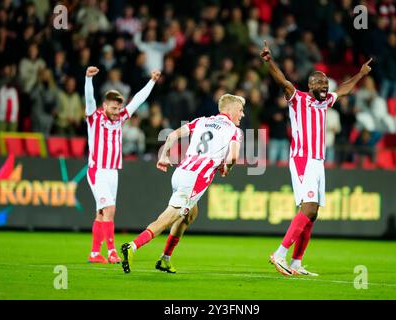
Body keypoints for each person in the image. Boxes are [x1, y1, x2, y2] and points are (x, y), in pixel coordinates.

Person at [260, 40, 372, 276]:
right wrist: (269, 62)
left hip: (318, 162)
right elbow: (282, 80)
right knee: (308, 208)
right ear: (309, 85)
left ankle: (297, 263)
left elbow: (343, 89)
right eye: (318, 82)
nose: (323, 84)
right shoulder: (298, 98)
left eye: (324, 81)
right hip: (303, 159)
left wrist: (360, 74)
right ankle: (279, 254)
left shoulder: (326, 102)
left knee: (313, 214)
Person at [120, 94, 245, 274]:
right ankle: (132, 246)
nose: (242, 115)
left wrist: (163, 156)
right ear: (230, 109)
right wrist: (227, 167)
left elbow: (172, 135)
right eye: (240, 110)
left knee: (189, 214)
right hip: (194, 179)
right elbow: (233, 156)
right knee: (166, 219)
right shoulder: (234, 130)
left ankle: (165, 259)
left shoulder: (202, 121)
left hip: (180, 173)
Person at [84, 66, 161, 264]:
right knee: (109, 209)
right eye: (113, 107)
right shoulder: (94, 118)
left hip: (113, 172)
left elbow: (138, 100)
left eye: (118, 108)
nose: (117, 111)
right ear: (104, 106)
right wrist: (88, 80)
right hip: (97, 170)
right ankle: (111, 251)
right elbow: (89, 100)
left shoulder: (120, 119)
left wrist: (152, 81)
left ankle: (94, 253)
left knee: (102, 213)